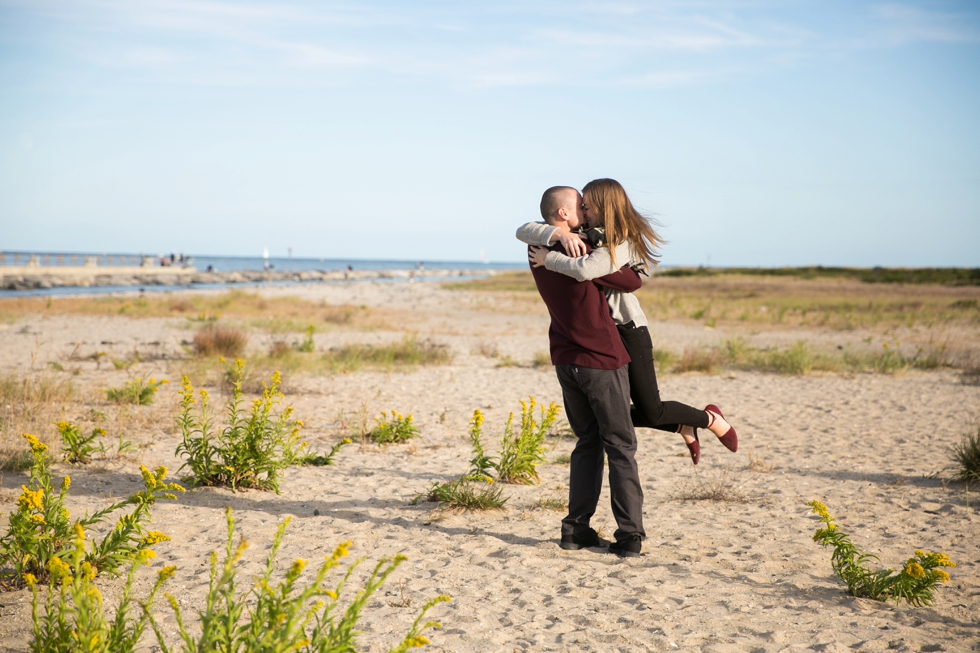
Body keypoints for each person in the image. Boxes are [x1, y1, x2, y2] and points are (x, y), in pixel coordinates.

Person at [517, 178, 737, 465]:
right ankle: (683, 426)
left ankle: (709, 419)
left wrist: (551, 260)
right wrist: (560, 236)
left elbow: (603, 273)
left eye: (586, 206)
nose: (583, 211)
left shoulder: (619, 239)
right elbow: (524, 229)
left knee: (649, 410)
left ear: (603, 207)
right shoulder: (585, 234)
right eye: (580, 206)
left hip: (630, 328)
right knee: (618, 412)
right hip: (607, 332)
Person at [528, 185, 647, 558]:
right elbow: (630, 280)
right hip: (601, 359)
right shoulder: (582, 251)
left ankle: (576, 529)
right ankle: (629, 536)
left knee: (587, 444)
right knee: (621, 446)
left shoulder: (540, 250)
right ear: (564, 214)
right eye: (580, 205)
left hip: (566, 360)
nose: (586, 209)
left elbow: (527, 229)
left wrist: (554, 238)